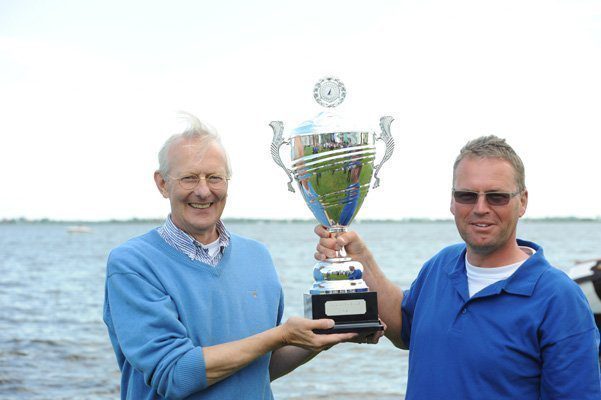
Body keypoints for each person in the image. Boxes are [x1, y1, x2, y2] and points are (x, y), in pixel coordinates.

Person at [315, 135, 601, 399]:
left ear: (522, 202)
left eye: (496, 196)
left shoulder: (559, 298)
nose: (480, 208)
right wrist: (360, 258)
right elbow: (404, 329)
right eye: (467, 195)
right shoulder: (441, 266)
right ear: (452, 201)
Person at [103, 112, 359, 400]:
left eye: (214, 177)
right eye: (189, 178)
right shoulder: (132, 264)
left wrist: (325, 334)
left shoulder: (257, 256)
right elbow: (175, 374)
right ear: (162, 183)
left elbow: (260, 365)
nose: (203, 191)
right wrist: (282, 335)